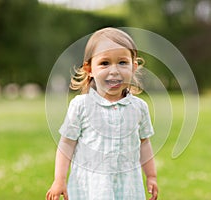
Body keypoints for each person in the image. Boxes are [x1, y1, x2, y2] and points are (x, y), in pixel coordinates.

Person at [46, 27, 158, 200]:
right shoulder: (81, 106)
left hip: (128, 186)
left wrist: (151, 176)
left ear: (133, 67)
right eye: (105, 63)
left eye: (122, 62)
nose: (114, 70)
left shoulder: (139, 107)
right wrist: (59, 179)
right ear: (89, 68)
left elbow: (144, 143)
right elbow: (67, 144)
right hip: (91, 188)